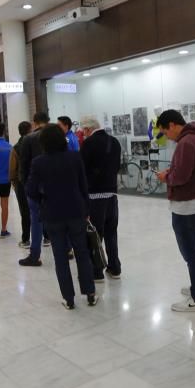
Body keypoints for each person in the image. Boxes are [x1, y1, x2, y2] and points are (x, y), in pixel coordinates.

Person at [27, 124, 98, 309]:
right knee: (82, 253)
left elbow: (31, 190)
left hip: (52, 214)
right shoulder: (75, 157)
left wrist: (43, 198)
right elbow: (84, 186)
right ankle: (90, 293)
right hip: (76, 211)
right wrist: (86, 209)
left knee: (60, 256)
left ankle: (69, 298)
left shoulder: (38, 162)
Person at [154, 109, 195, 312]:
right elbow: (191, 170)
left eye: (165, 131)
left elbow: (182, 177)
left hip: (187, 206)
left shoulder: (186, 143)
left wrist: (166, 177)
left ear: (172, 125)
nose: (167, 137)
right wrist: (173, 172)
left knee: (191, 253)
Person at [79, 115, 122, 280]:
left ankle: (97, 271)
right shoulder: (114, 142)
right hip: (112, 194)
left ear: (88, 129)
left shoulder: (88, 144)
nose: (83, 134)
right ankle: (115, 268)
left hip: (94, 195)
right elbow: (117, 166)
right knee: (111, 232)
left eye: (84, 131)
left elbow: (81, 170)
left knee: (95, 235)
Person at [18, 112, 51, 266]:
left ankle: (35, 255)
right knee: (61, 217)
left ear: (35, 122)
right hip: (56, 185)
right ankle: (68, 250)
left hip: (35, 185)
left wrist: (26, 185)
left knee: (36, 221)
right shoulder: (57, 134)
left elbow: (23, 165)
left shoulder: (28, 139)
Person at [9, 121, 33, 248]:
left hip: (21, 183)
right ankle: (46, 237)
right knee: (38, 209)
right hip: (35, 181)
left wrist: (13, 181)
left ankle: (25, 239)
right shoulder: (36, 144)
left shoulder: (16, 147)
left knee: (24, 211)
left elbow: (12, 168)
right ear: (30, 129)